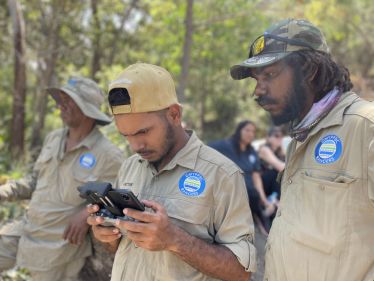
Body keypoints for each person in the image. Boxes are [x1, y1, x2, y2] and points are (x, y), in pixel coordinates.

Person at [230, 18, 374, 281]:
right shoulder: (301, 136)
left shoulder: (365, 128)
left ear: (309, 69)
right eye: (255, 79)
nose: (257, 90)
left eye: (270, 75)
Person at [87, 63, 256, 281]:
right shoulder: (130, 166)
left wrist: (175, 239)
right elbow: (122, 247)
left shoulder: (222, 174)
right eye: (126, 136)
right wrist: (108, 236)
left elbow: (241, 272)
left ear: (174, 114)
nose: (136, 146)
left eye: (143, 131)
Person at [0, 77, 124, 281]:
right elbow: (34, 181)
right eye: (61, 99)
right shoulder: (54, 138)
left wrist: (85, 214)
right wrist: (4, 192)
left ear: (87, 110)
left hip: (57, 247)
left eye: (68, 100)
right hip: (26, 229)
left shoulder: (108, 155)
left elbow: (116, 200)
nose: (60, 105)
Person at [209, 120, 274, 234]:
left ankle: (259, 221)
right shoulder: (226, 146)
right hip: (230, 192)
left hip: (250, 195)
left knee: (255, 194)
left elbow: (256, 177)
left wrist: (263, 199)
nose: (250, 134)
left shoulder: (252, 151)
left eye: (253, 131)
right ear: (239, 131)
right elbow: (206, 151)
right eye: (247, 130)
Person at [258, 127, 285, 201]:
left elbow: (287, 163)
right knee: (276, 173)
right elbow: (282, 168)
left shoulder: (278, 151)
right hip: (262, 185)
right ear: (268, 137)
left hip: (272, 185)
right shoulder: (264, 149)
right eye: (276, 136)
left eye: (281, 136)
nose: (280, 138)